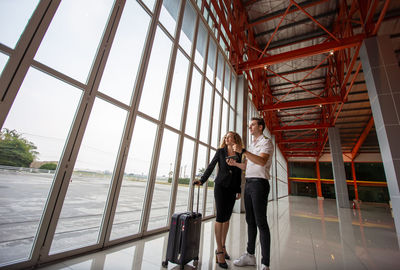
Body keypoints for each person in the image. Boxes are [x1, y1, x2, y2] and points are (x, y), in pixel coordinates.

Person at [227, 117, 273, 270]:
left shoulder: (266, 142)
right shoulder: (252, 144)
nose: (250, 127)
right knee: (250, 221)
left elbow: (261, 162)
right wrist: (235, 164)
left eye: (253, 125)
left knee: (261, 222)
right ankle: (250, 255)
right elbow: (248, 165)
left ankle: (265, 263)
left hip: (260, 184)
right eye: (249, 125)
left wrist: (244, 151)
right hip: (249, 183)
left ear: (261, 127)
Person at [193, 131, 243, 269]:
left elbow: (239, 173)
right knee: (220, 217)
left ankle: (223, 246)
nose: (226, 138)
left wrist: (239, 190)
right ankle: (219, 251)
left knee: (227, 218)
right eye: (225, 137)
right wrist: (202, 180)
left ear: (235, 139)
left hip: (232, 188)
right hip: (220, 187)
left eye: (229, 137)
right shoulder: (220, 151)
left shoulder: (239, 153)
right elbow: (211, 166)